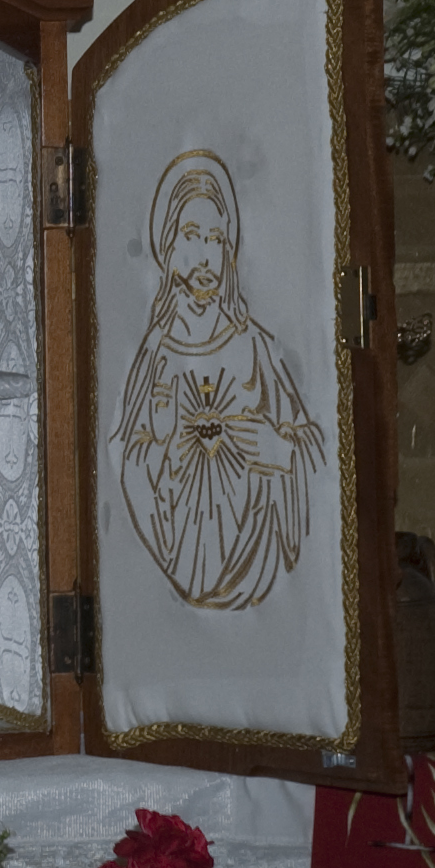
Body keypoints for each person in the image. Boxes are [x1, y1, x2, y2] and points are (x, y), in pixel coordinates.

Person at [111, 150, 327, 611]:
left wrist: (279, 450)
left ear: (228, 250)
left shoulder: (256, 347)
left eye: (215, 239)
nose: (204, 255)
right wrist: (161, 450)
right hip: (170, 576)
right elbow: (124, 455)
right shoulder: (154, 356)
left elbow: (317, 453)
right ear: (169, 247)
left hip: (258, 569)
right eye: (191, 235)